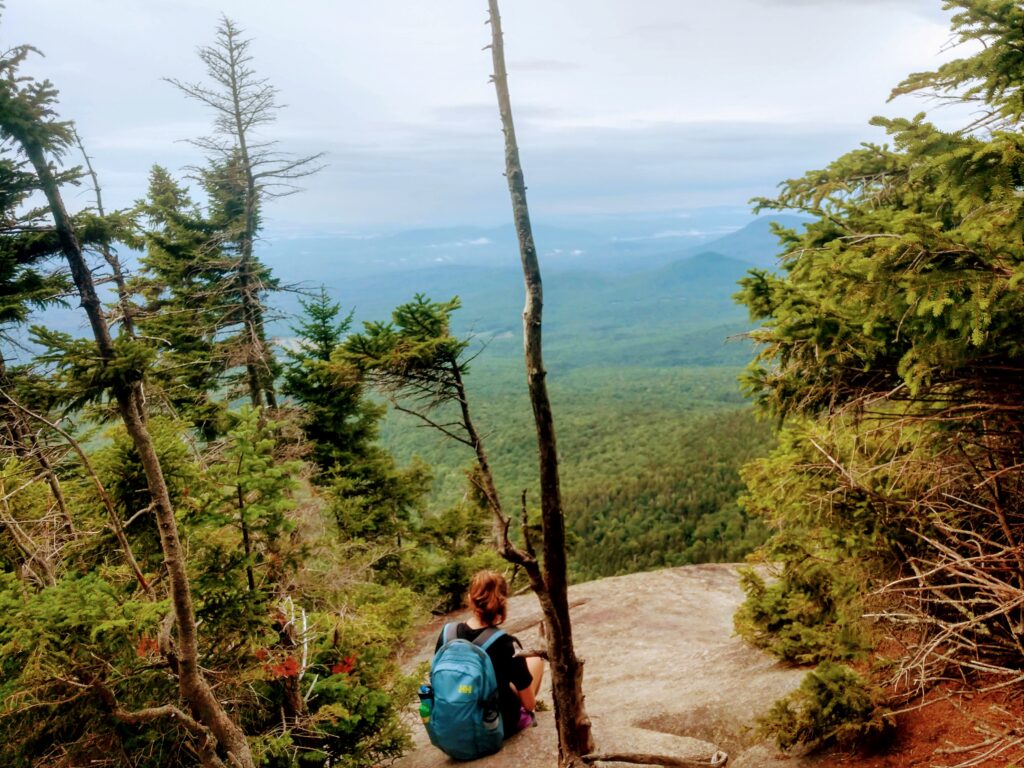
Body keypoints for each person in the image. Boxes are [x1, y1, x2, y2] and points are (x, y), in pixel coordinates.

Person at [434, 569, 545, 736]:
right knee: (536, 659)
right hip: (495, 726)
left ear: (470, 598)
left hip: (454, 727)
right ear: (503, 602)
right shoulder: (506, 643)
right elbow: (529, 705)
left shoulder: (447, 634)